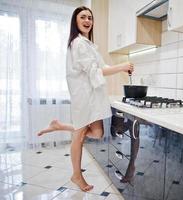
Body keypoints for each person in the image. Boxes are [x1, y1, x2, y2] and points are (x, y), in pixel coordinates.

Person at [37, 6, 134, 192]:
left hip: (93, 97)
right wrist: (122, 66)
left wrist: (119, 66)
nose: (87, 20)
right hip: (83, 98)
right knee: (79, 137)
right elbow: (95, 71)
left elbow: (102, 66)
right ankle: (76, 175)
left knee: (97, 133)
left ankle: (60, 126)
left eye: (90, 17)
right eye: (83, 17)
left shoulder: (88, 45)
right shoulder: (78, 43)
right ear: (75, 21)